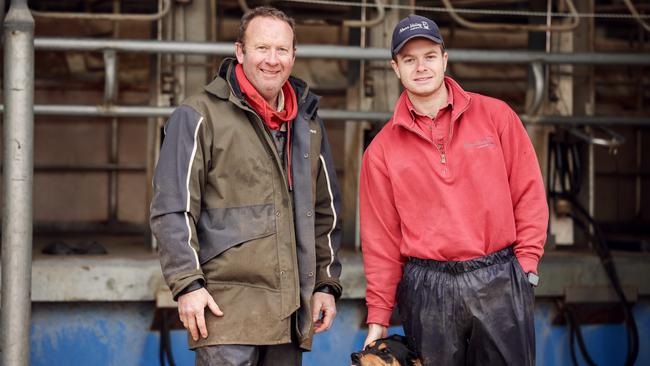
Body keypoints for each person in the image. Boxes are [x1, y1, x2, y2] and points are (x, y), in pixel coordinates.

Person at [150, 6, 342, 366]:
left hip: (290, 312)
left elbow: (325, 212)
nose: (272, 60)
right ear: (240, 52)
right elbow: (173, 208)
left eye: (282, 50)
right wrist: (187, 284)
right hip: (225, 311)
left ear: (294, 56)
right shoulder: (198, 116)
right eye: (262, 48)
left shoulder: (308, 124)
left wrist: (325, 284)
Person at [359, 14, 549, 366]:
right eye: (409, 59)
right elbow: (380, 241)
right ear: (395, 68)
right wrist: (379, 315)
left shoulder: (496, 117)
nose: (421, 67)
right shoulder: (381, 151)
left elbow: (530, 194)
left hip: (499, 279)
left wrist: (526, 268)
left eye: (429, 56)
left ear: (445, 59)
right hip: (427, 289)